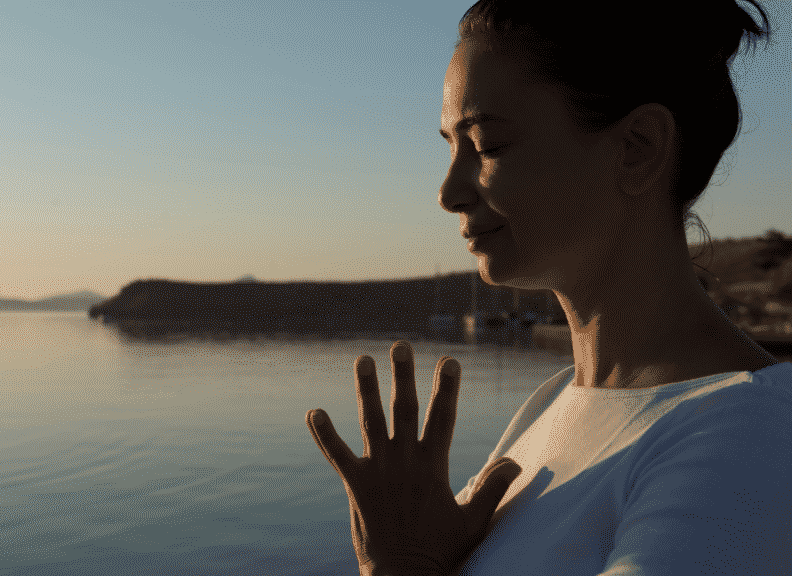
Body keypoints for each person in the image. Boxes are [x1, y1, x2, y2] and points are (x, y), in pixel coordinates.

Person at [304, 1, 792, 574]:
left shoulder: (743, 443)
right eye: (450, 146)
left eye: (488, 145)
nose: (449, 191)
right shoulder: (555, 402)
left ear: (640, 146)